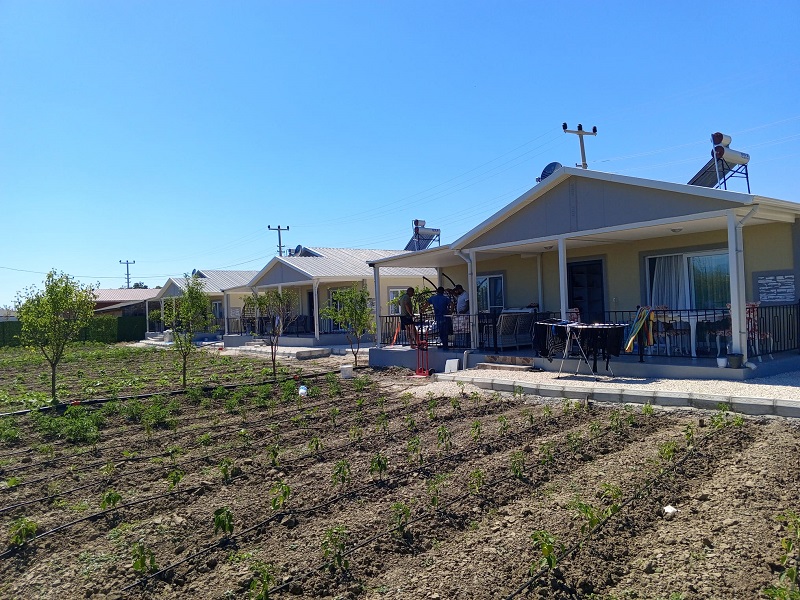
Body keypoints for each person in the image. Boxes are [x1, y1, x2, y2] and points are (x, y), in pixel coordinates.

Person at [427, 287, 451, 351]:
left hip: (438, 317)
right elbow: (452, 304)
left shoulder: (433, 298)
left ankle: (444, 344)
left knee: (441, 331)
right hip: (445, 317)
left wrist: (422, 310)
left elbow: (427, 304)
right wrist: (450, 311)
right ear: (443, 292)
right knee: (445, 332)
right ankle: (445, 346)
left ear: (437, 291)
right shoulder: (445, 298)